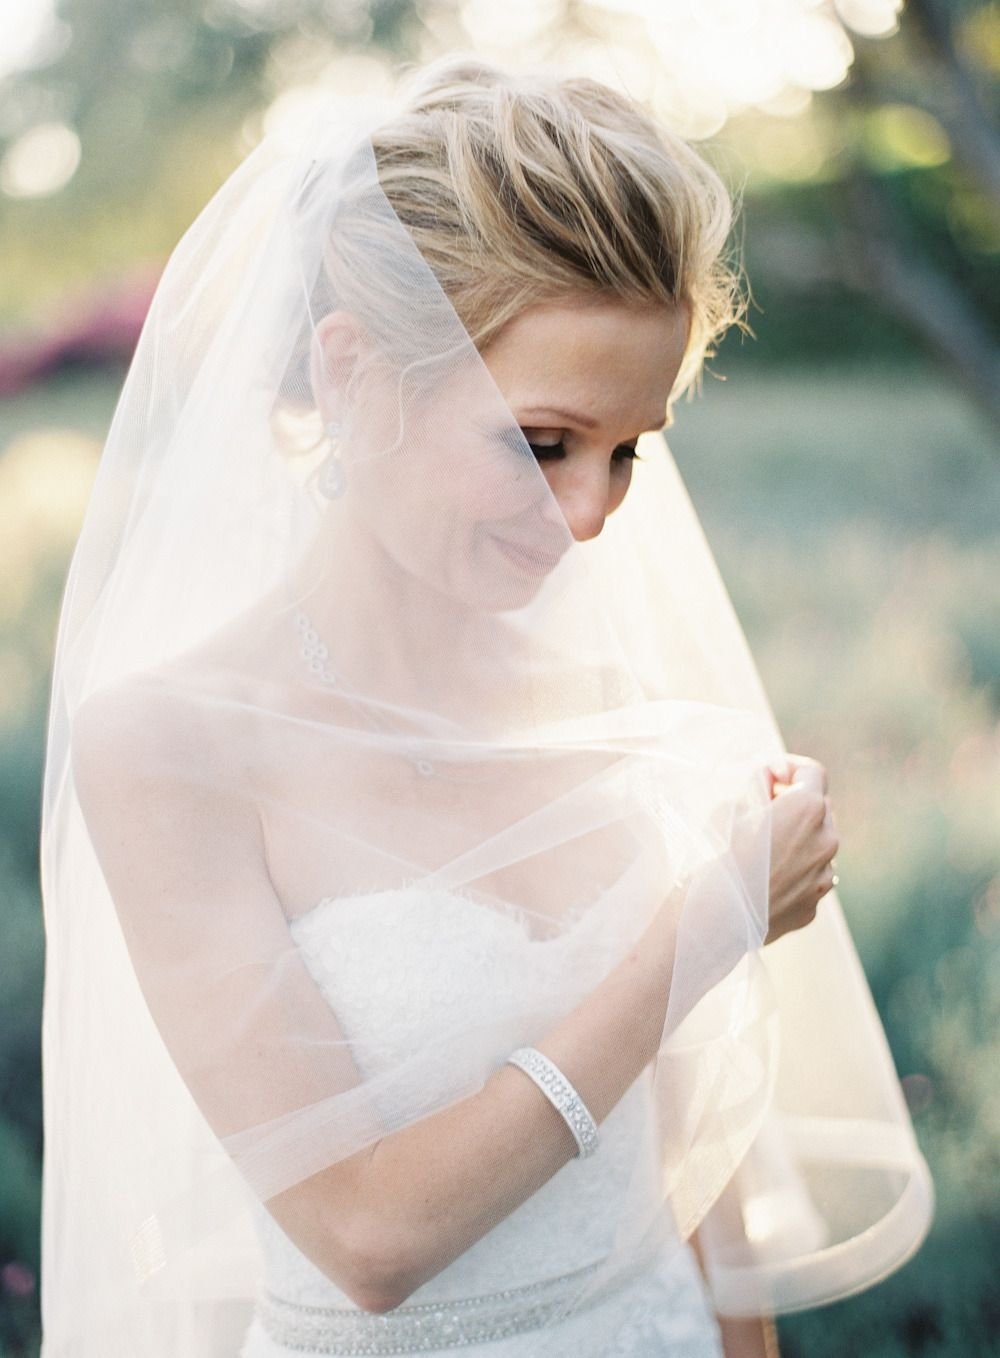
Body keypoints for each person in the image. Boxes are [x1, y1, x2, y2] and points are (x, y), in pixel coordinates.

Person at [39, 57, 932, 1358]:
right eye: (541, 442)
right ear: (354, 376)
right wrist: (707, 929)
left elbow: (693, 1175)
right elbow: (368, 1237)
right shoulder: (172, 745)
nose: (591, 515)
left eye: (629, 451)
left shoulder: (615, 693)